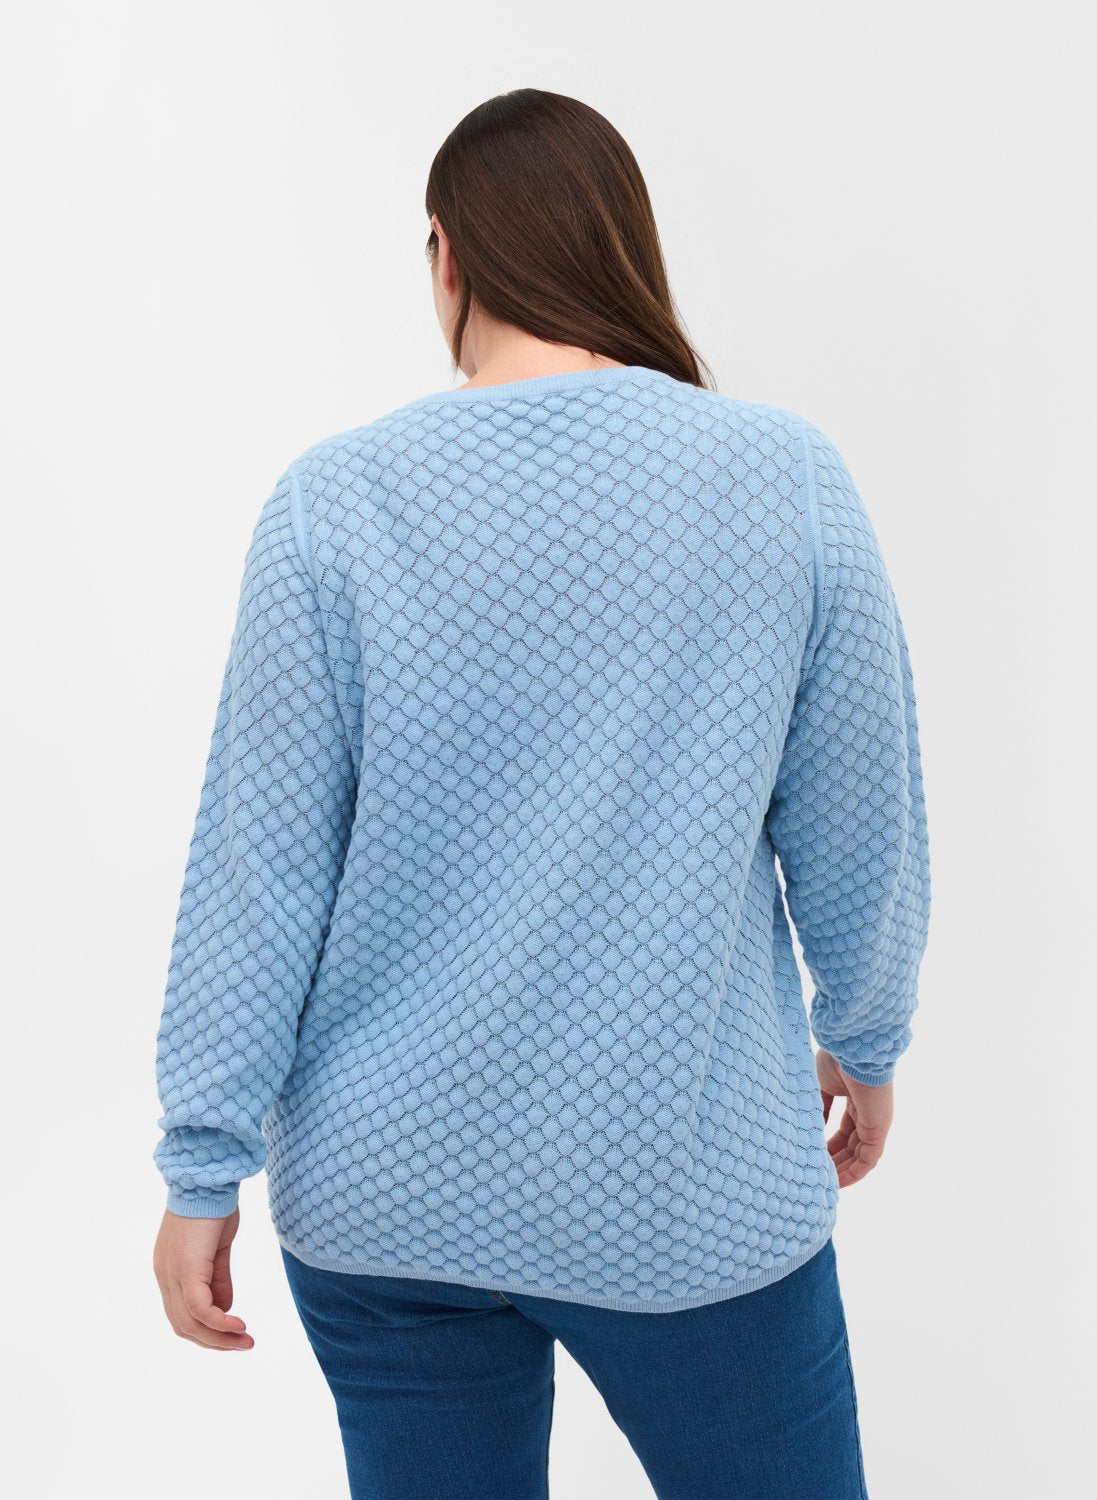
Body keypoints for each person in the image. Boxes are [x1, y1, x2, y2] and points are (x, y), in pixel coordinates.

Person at [152, 88, 930, 1500]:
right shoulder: (781, 478)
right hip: (685, 1190)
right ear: (623, 248)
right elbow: (857, 822)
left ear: (445, 256)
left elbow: (256, 872)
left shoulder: (334, 503)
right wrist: (864, 1040)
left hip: (384, 1199)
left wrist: (201, 1168)